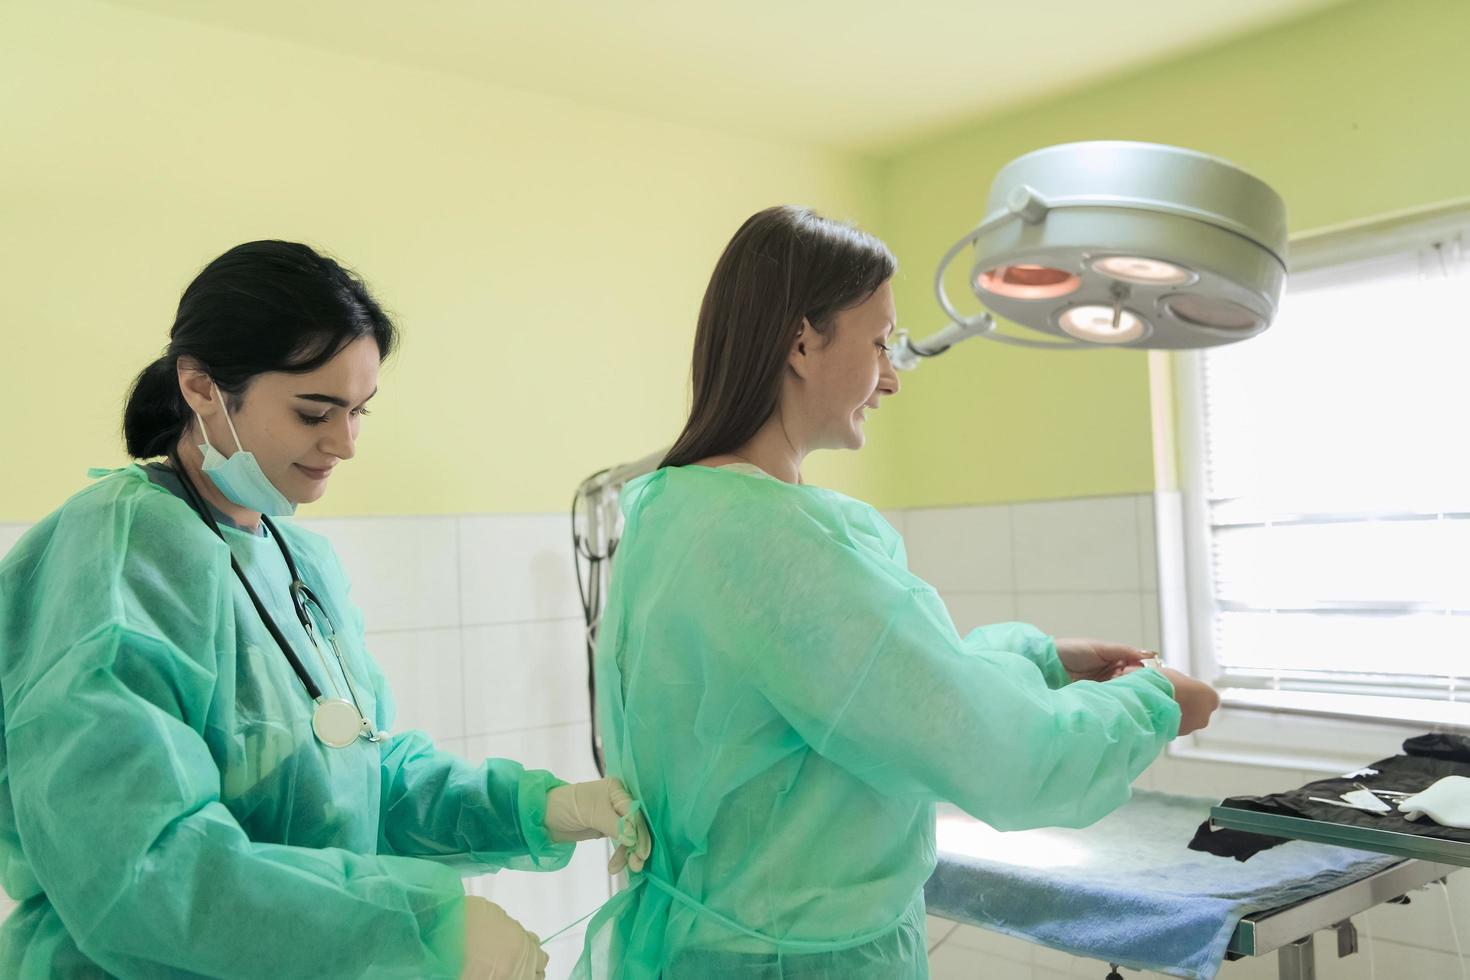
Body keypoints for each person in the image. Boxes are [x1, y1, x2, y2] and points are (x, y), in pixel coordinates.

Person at [572, 206, 1220, 978]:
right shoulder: (772, 541)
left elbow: (861, 697)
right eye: (880, 341)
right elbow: (1004, 757)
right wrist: (1153, 703)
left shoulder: (677, 514)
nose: (891, 376)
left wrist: (1041, 658)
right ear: (803, 341)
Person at [0, 241, 649, 979]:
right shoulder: (122, 552)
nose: (344, 443)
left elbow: (369, 774)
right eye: (315, 412)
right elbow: (139, 870)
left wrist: (548, 809)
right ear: (202, 386)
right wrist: (416, 925)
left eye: (358, 411)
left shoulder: (296, 562)